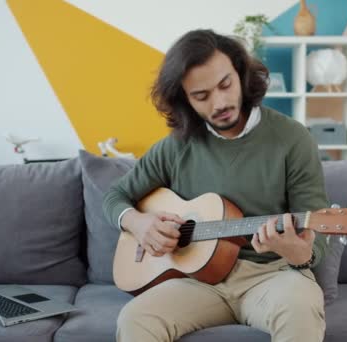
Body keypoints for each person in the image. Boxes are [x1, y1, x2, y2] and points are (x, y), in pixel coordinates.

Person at [103, 29, 328, 342]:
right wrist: (139, 223)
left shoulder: (293, 138)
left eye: (226, 85)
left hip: (272, 276)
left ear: (240, 74)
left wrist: (299, 253)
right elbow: (115, 197)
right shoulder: (176, 146)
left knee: (301, 310)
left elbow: (318, 236)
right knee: (135, 319)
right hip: (194, 281)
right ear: (185, 100)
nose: (220, 102)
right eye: (201, 96)